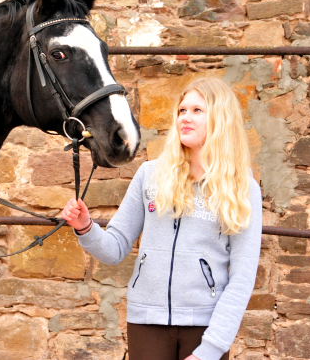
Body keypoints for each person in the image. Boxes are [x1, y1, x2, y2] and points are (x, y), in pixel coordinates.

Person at [62, 78, 262, 360]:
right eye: (182, 111)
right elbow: (115, 247)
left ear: (221, 118)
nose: (185, 118)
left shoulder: (242, 188)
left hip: (205, 325)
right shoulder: (150, 175)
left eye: (197, 111)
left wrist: (211, 350)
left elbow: (241, 278)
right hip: (147, 323)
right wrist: (85, 227)